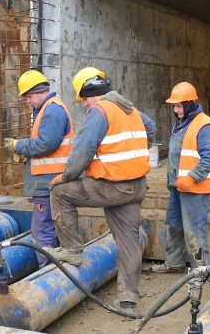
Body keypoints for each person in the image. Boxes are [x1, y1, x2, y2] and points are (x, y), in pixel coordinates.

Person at [48, 67, 156, 311]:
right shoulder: (131, 110)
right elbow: (151, 129)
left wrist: (65, 176)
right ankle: (128, 300)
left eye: (84, 98)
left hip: (111, 186)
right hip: (135, 186)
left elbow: (82, 151)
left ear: (91, 92)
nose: (84, 104)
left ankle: (73, 250)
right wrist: (131, 156)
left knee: (59, 193)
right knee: (129, 240)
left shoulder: (100, 111)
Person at [3, 70, 72, 268]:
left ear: (39, 91)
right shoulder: (47, 109)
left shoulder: (51, 110)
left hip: (49, 182)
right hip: (50, 180)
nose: (27, 101)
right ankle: (57, 272)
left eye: (28, 96)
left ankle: (47, 276)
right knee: (51, 228)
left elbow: (46, 144)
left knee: (43, 232)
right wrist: (28, 157)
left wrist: (19, 146)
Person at [150, 82, 210, 273]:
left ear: (189, 103)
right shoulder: (181, 123)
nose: (176, 109)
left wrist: (191, 178)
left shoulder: (204, 125)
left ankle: (202, 271)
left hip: (195, 189)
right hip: (178, 187)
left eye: (179, 105)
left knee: (194, 232)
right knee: (174, 225)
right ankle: (174, 264)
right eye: (174, 106)